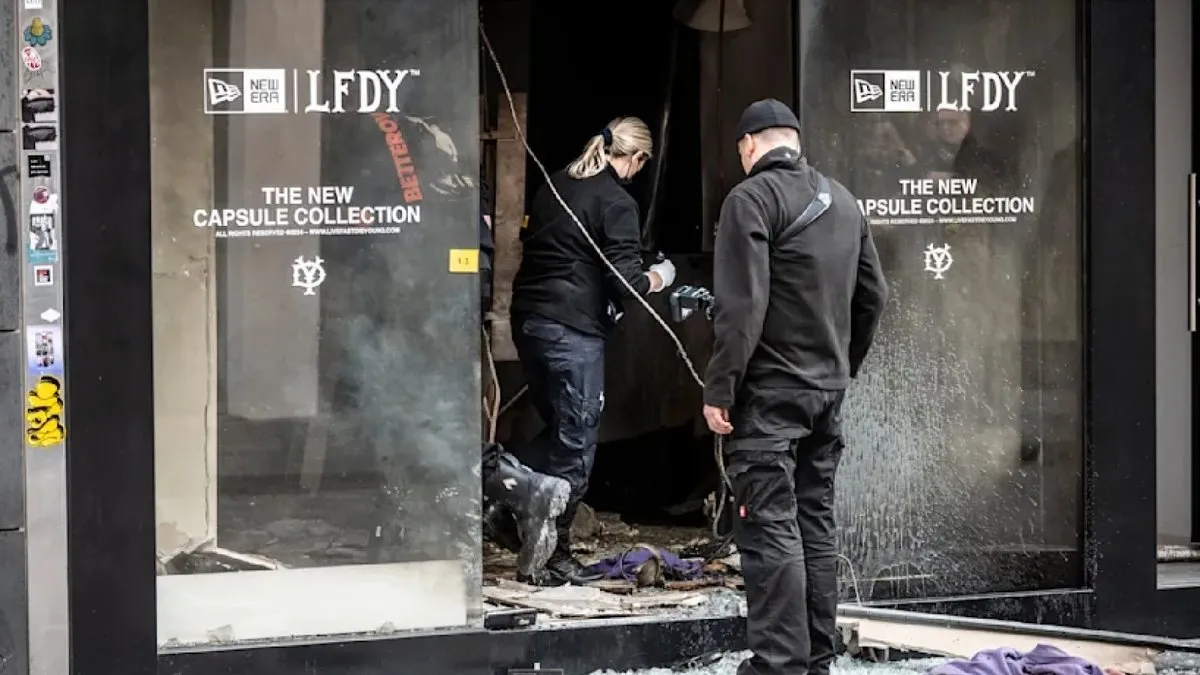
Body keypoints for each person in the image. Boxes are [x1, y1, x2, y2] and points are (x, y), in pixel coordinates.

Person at [702, 99, 888, 675]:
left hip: (770, 397)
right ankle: (816, 660)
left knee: (768, 525)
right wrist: (842, 366)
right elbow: (873, 296)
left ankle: (779, 666)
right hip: (826, 392)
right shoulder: (844, 201)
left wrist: (720, 388)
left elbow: (742, 307)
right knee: (814, 521)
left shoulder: (751, 200)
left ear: (751, 144)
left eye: (740, 151)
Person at [510, 116, 677, 585]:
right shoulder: (616, 201)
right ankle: (553, 553)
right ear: (637, 158)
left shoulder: (556, 185)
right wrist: (661, 277)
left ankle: (506, 502)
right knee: (576, 445)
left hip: (530, 322)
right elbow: (627, 283)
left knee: (559, 429)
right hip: (572, 331)